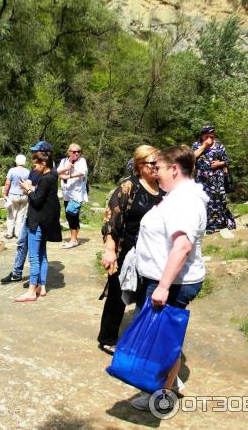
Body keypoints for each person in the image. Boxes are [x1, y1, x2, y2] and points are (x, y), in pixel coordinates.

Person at [130, 145, 208, 411]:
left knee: (162, 340)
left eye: (159, 168)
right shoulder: (177, 196)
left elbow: (182, 246)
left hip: (172, 283)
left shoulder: (184, 201)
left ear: (174, 169)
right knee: (162, 336)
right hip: (165, 279)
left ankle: (161, 395)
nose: (156, 173)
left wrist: (162, 287)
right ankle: (169, 383)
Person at [98, 145, 163, 355]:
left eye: (158, 163)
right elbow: (112, 218)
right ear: (139, 165)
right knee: (117, 295)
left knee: (145, 295)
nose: (156, 167)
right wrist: (109, 249)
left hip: (153, 254)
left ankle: (140, 339)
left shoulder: (164, 189)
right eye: (152, 163)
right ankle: (107, 338)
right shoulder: (129, 187)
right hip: (127, 251)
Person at [1, 141, 52, 285]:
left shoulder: (48, 172)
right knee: (21, 242)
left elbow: (40, 192)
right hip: (31, 211)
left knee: (36, 254)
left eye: (35, 152)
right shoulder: (34, 169)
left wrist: (30, 189)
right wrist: (29, 188)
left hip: (39, 217)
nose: (32, 155)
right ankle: (17, 273)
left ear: (44, 154)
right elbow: (29, 185)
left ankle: (37, 285)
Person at [15, 151, 62, 302]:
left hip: (37, 222)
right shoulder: (53, 176)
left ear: (43, 164)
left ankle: (31, 291)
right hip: (45, 222)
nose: (33, 169)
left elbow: (36, 201)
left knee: (34, 257)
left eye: (35, 165)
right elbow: (43, 196)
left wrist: (28, 190)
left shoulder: (45, 179)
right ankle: (42, 287)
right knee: (42, 254)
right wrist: (32, 190)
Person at [192, 125, 236, 234]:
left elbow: (227, 161)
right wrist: (204, 146)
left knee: (218, 200)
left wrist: (219, 163)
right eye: (207, 136)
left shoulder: (219, 145)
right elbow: (191, 158)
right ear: (202, 135)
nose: (210, 138)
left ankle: (219, 224)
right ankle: (205, 225)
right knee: (204, 200)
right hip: (201, 179)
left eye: (212, 136)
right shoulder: (196, 145)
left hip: (217, 178)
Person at [57, 143, 88, 249]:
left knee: (72, 214)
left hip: (77, 193)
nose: (76, 153)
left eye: (78, 151)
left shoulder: (81, 161)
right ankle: (73, 238)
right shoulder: (64, 161)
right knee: (69, 215)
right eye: (74, 151)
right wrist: (66, 168)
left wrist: (68, 175)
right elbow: (57, 173)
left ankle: (74, 240)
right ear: (69, 152)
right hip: (66, 193)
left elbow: (82, 172)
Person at [3, 155, 30, 239]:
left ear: (16, 161)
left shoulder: (12, 170)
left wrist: (5, 194)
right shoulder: (28, 171)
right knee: (21, 215)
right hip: (24, 195)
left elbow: (8, 183)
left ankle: (9, 233)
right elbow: (29, 184)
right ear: (24, 162)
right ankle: (18, 233)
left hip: (13, 195)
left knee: (11, 214)